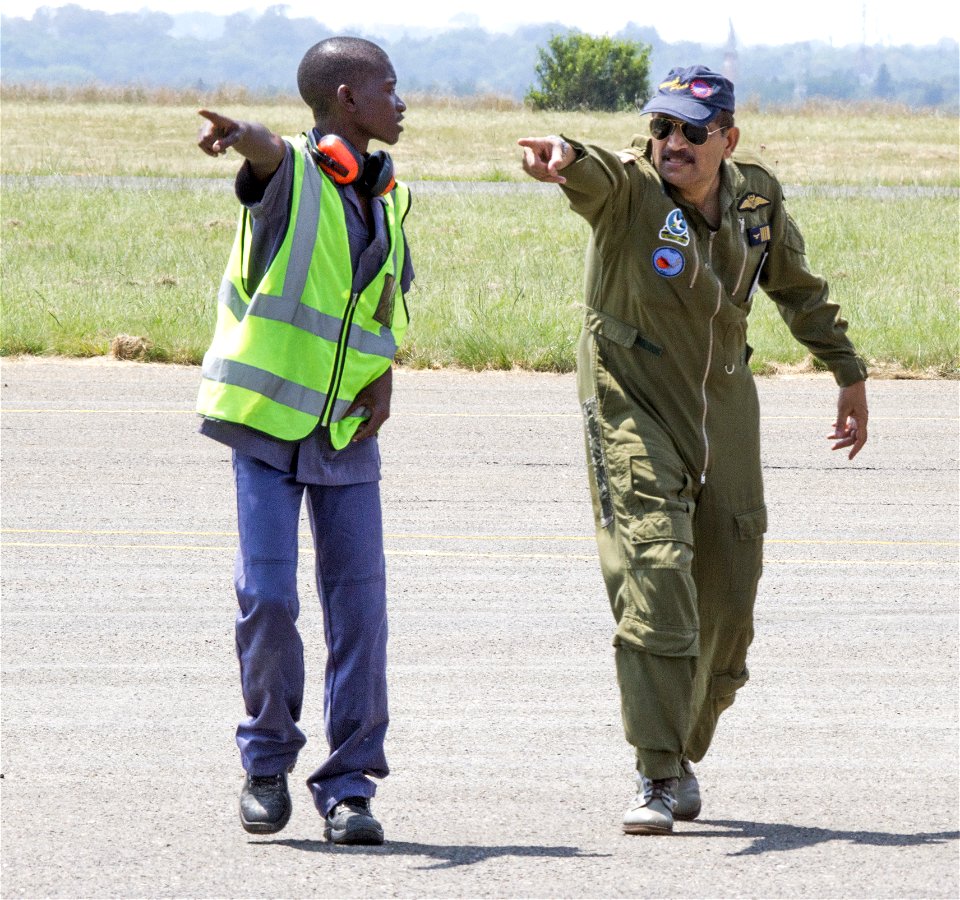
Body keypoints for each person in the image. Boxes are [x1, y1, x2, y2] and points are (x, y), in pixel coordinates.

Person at [518, 65, 868, 835]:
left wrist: (846, 371)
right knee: (656, 569)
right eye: (661, 127)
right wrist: (562, 154)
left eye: (690, 131)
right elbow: (591, 172)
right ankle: (654, 769)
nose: (671, 142)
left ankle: (682, 746)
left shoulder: (756, 199)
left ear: (728, 139)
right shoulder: (634, 193)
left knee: (731, 598)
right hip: (631, 401)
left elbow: (797, 289)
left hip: (724, 405)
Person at [195, 35, 413, 845]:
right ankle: (265, 761)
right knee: (271, 599)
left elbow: (383, 301)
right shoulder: (293, 175)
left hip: (348, 432)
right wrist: (243, 132)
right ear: (347, 97)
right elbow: (264, 154)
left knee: (360, 612)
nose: (402, 101)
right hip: (266, 423)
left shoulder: (389, 195)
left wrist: (384, 369)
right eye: (389, 87)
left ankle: (351, 786)